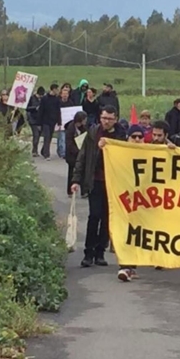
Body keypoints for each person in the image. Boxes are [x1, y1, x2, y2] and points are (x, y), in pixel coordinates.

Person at [71, 105, 127, 267]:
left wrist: (110, 144)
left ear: (115, 119)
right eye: (104, 118)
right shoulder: (93, 132)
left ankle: (100, 252)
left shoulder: (121, 134)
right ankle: (88, 253)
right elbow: (82, 157)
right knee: (94, 216)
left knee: (107, 217)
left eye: (110, 119)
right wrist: (76, 180)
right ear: (100, 118)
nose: (107, 122)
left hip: (113, 182)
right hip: (95, 180)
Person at [116, 124, 148, 282]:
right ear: (127, 138)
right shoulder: (119, 154)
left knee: (141, 234)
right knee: (126, 232)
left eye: (139, 137)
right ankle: (125, 266)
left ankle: (132, 265)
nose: (136, 139)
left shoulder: (152, 154)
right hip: (125, 202)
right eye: (133, 136)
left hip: (147, 203)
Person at [65, 111, 89, 196]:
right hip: (72, 154)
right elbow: (69, 143)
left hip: (80, 153)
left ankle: (84, 191)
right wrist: (77, 151)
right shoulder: (70, 128)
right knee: (72, 172)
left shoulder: (84, 128)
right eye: (84, 119)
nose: (85, 121)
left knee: (82, 171)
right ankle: (70, 191)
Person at [39, 83, 62, 160]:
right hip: (45, 121)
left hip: (53, 121)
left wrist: (59, 122)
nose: (58, 91)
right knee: (47, 137)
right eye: (57, 89)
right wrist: (39, 122)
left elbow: (58, 111)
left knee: (49, 138)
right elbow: (41, 110)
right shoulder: (45, 99)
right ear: (53, 89)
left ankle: (43, 150)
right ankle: (46, 154)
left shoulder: (57, 100)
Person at [27, 86, 45, 156]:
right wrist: (35, 108)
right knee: (36, 135)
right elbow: (27, 108)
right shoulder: (31, 99)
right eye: (40, 95)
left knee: (39, 135)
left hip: (40, 120)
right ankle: (34, 151)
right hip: (33, 120)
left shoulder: (43, 99)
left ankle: (37, 150)